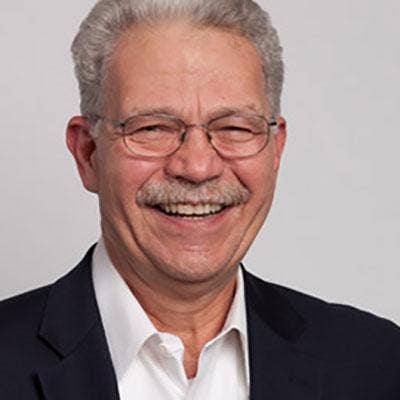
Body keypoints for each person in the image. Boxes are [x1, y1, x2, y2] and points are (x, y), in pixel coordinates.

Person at [1, 0, 399, 398]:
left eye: (234, 128)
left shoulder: (377, 365)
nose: (196, 167)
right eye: (152, 128)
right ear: (88, 154)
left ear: (275, 150)